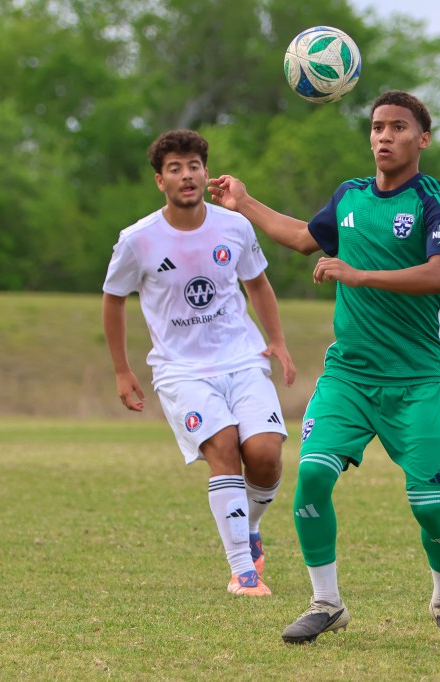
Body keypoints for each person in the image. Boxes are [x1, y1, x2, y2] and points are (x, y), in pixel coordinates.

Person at [208, 90, 440, 646]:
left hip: (418, 380)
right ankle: (326, 602)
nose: (384, 136)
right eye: (377, 126)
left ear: (422, 139)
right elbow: (304, 237)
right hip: (348, 377)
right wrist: (245, 202)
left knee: (430, 506)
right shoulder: (350, 197)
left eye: (398, 127)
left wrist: (359, 275)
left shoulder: (435, 200)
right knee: (311, 476)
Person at [102, 129, 296, 598]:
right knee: (225, 450)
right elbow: (113, 301)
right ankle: (243, 572)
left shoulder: (235, 226)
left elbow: (258, 285)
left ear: (206, 172)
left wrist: (277, 340)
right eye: (175, 168)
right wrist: (122, 370)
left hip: (243, 360)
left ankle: (247, 528)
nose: (186, 175)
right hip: (181, 371)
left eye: (193, 166)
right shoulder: (137, 240)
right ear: (159, 180)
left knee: (266, 456)